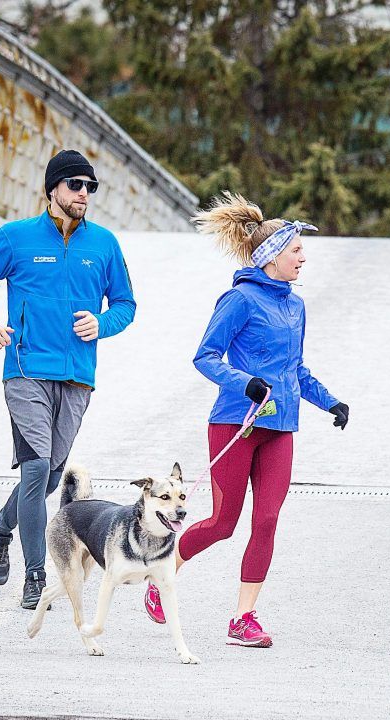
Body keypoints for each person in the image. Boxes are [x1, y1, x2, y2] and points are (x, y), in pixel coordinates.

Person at [143, 192, 348, 647]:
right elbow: (206, 357)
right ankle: (160, 577)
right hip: (236, 425)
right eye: (296, 249)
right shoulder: (239, 300)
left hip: (281, 429)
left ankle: (243, 618)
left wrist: (330, 401)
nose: (303, 257)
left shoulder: (295, 306)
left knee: (268, 521)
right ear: (272, 256)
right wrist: (245, 383)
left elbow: (295, 369)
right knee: (223, 523)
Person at [0, 149, 136, 609]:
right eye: (75, 185)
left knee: (51, 478)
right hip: (26, 369)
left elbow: (126, 306)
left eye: (90, 187)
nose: (84, 194)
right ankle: (35, 575)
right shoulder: (15, 238)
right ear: (52, 189)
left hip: (78, 377)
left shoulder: (104, 244)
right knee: (36, 470)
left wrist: (103, 323)